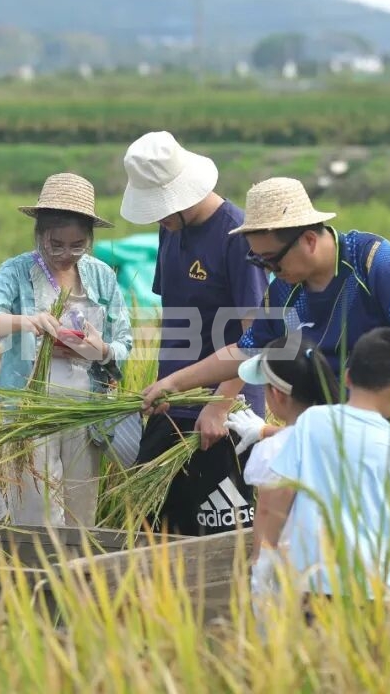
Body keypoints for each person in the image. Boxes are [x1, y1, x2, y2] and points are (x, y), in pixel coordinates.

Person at [142, 177, 390, 592]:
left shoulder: (374, 263)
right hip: (348, 440)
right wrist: (173, 382)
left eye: (271, 261)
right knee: (366, 551)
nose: (267, 272)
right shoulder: (284, 291)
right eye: (259, 263)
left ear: (309, 240)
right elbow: (244, 350)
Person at [119, 131, 267, 536]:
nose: (158, 219)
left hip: (224, 412)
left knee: (220, 537)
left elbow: (258, 338)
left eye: (161, 209)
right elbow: (179, 318)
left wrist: (220, 405)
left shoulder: (237, 236)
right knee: (149, 529)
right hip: (172, 405)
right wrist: (163, 385)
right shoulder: (171, 229)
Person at [0, 172, 133, 528]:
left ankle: (78, 579)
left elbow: (124, 342)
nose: (64, 254)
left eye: (77, 246)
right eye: (55, 244)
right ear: (40, 234)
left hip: (83, 413)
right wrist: (27, 322)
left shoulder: (101, 276)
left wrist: (99, 350)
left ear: (89, 240)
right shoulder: (17, 272)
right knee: (36, 510)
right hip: (30, 410)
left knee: (80, 509)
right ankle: (38, 578)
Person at [256, 328, 390, 622]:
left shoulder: (311, 421)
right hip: (372, 584)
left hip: (311, 578)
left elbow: (279, 494)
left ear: (347, 376)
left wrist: (263, 561)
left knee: (312, 660)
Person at [225, 335, 339, 574]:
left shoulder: (273, 452)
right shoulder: (350, 436)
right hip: (356, 574)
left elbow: (267, 516)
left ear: (276, 395)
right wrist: (265, 431)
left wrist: (258, 570)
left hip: (300, 578)